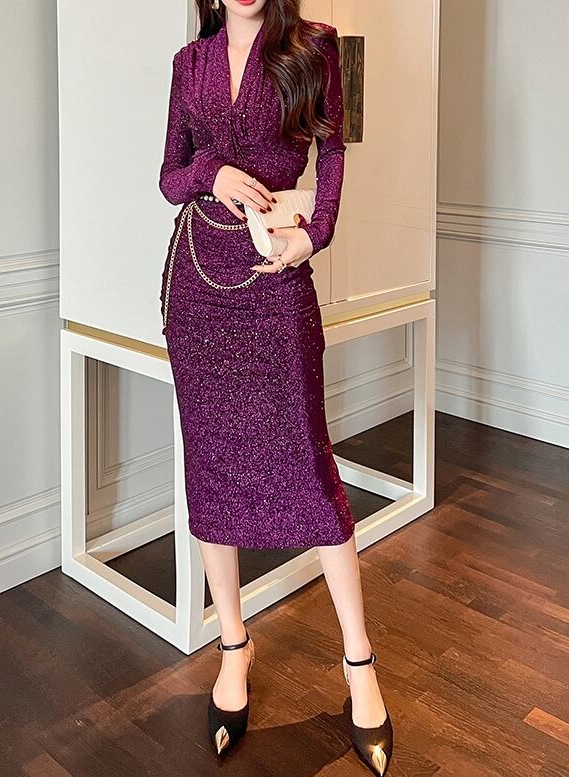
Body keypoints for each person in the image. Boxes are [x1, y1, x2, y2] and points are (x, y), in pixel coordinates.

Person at [158, 1, 392, 773]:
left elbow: (332, 150)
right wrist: (211, 172)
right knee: (210, 465)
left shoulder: (310, 46)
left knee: (308, 465)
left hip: (276, 275)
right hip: (197, 282)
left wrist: (314, 234)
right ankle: (233, 645)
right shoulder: (189, 64)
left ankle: (358, 661)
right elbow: (169, 177)